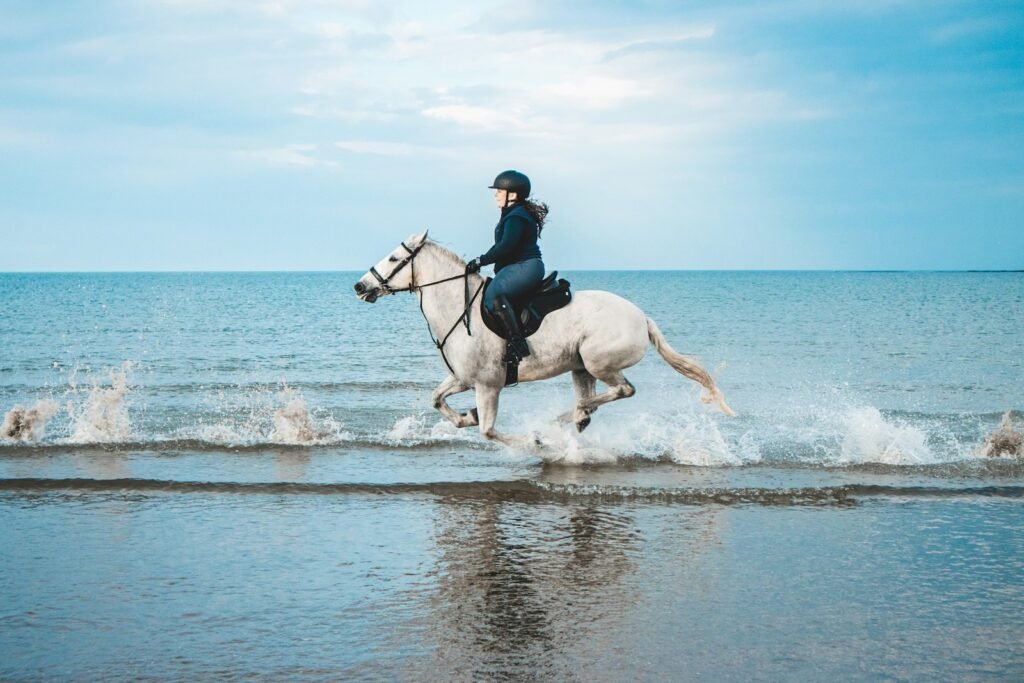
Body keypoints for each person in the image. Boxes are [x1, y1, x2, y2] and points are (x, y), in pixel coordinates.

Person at [466, 170, 549, 364]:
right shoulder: (513, 214)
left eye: (499, 191)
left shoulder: (516, 216)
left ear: (512, 195)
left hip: (525, 266)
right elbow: (501, 247)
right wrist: (482, 259)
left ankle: (517, 345)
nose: (496, 195)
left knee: (491, 296)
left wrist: (480, 261)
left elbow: (505, 247)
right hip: (521, 267)